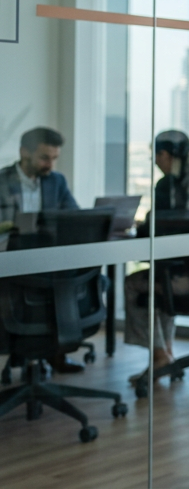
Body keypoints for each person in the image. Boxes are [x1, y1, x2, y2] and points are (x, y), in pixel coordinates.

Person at [124, 130, 189, 380]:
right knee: (160, 280)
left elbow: (154, 230)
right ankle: (165, 355)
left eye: (156, 157)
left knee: (134, 284)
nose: (156, 163)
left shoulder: (167, 187)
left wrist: (140, 228)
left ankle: (161, 355)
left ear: (165, 155)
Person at [0, 127, 84, 373]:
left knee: (71, 282)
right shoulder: (2, 181)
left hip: (47, 262)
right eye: (44, 158)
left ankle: (54, 352)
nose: (50, 165)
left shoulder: (56, 181)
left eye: (54, 158)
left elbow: (75, 217)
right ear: (24, 152)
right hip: (10, 263)